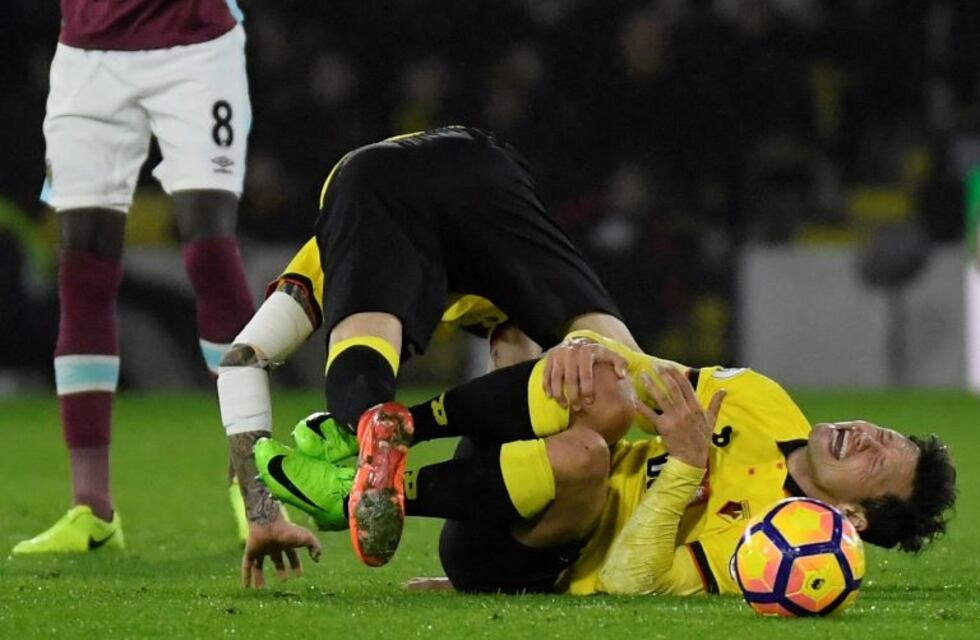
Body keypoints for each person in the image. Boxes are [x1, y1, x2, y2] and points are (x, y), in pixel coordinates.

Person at [216, 126, 642, 586]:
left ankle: (366, 425)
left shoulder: (329, 254)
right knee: (623, 364)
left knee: (365, 336)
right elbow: (516, 386)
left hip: (371, 179)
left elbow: (242, 360)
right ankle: (709, 409)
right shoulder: (502, 308)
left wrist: (262, 513)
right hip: (484, 168)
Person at [255, 331, 957, 595]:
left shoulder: (772, 550)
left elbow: (627, 582)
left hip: (528, 553)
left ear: (852, 517)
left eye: (878, 460)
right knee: (601, 384)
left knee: (587, 454)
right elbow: (642, 370)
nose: (865, 434)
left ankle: (368, 490)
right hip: (511, 469)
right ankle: (396, 428)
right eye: (880, 431)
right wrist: (584, 345)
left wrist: (684, 469)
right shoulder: (766, 402)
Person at [13, 0, 256, 554]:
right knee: (82, 268)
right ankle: (92, 510)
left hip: (196, 49)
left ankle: (253, 484)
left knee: (210, 251)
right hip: (88, 56)